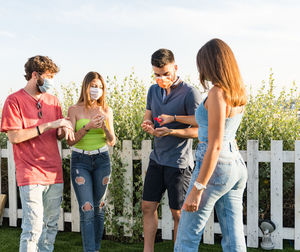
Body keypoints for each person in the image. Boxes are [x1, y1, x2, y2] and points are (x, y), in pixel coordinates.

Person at [159, 39, 248, 251]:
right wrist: (173, 118)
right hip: (235, 163)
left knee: (187, 235)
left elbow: (214, 145)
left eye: (202, 63)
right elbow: (208, 122)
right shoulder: (236, 92)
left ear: (212, 63)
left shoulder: (217, 93)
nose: (201, 69)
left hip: (215, 165)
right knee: (234, 236)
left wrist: (198, 188)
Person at [0, 55, 74, 252]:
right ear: (35, 75)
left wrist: (63, 129)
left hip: (54, 173)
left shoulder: (53, 101)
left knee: (50, 227)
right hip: (30, 173)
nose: (51, 81)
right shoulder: (13, 101)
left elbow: (57, 135)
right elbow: (15, 137)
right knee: (33, 228)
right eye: (48, 76)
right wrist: (49, 124)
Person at [141, 49, 202, 252]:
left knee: (178, 214)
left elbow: (199, 131)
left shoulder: (190, 93)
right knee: (147, 207)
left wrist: (171, 131)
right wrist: (148, 126)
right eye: (157, 75)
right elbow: (147, 116)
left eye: (165, 74)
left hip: (179, 165)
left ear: (175, 68)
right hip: (157, 160)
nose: (161, 79)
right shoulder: (153, 90)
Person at [67, 71, 116, 252]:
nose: (97, 90)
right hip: (80, 161)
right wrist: (88, 127)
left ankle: (95, 249)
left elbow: (112, 141)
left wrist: (104, 127)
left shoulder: (106, 110)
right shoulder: (74, 110)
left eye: (100, 87)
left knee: (98, 207)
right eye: (94, 86)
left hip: (102, 160)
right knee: (87, 208)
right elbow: (70, 141)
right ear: (86, 86)